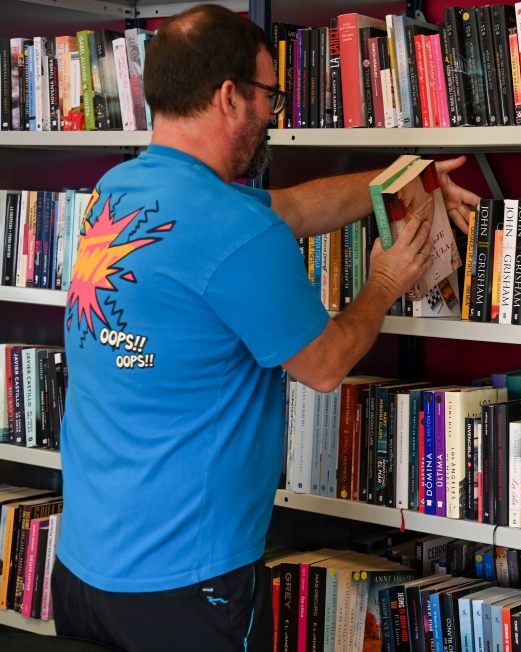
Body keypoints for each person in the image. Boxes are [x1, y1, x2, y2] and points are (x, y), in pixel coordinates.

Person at [52, 5, 480, 651]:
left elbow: (292, 207)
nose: (272, 114)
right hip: (188, 585)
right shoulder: (234, 228)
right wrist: (383, 283)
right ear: (230, 97)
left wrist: (398, 184)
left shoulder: (118, 191)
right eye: (269, 95)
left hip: (85, 569)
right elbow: (325, 366)